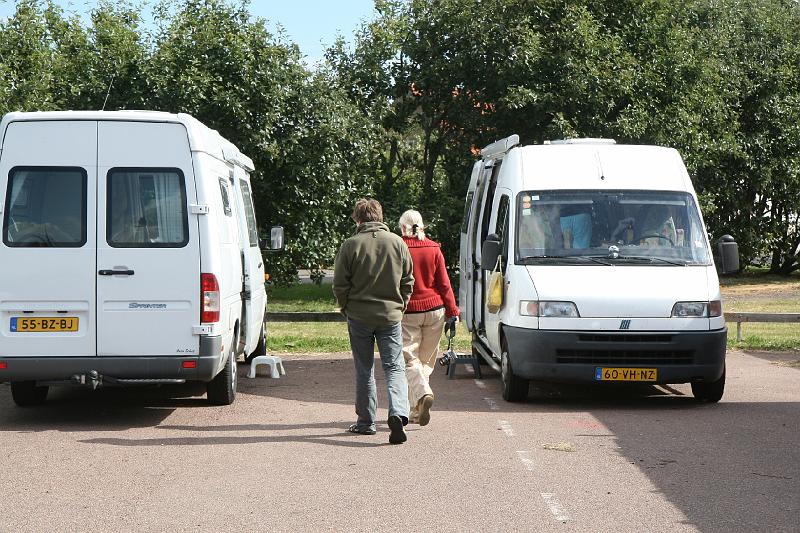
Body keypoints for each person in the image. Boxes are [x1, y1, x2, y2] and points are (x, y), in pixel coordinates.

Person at [333, 198, 415, 444]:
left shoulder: (350, 245)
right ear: (380, 217)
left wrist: (345, 306)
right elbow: (408, 280)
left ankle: (366, 422)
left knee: (364, 368)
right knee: (395, 367)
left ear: (358, 219)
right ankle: (398, 412)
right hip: (390, 315)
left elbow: (340, 284)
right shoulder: (398, 243)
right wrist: (401, 305)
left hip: (359, 315)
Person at [398, 210, 459, 427]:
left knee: (409, 360)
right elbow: (444, 284)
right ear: (422, 226)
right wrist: (453, 311)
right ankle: (417, 411)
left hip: (408, 311)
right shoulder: (434, 248)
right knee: (426, 361)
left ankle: (423, 395)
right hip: (435, 309)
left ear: (403, 227)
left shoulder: (399, 247)